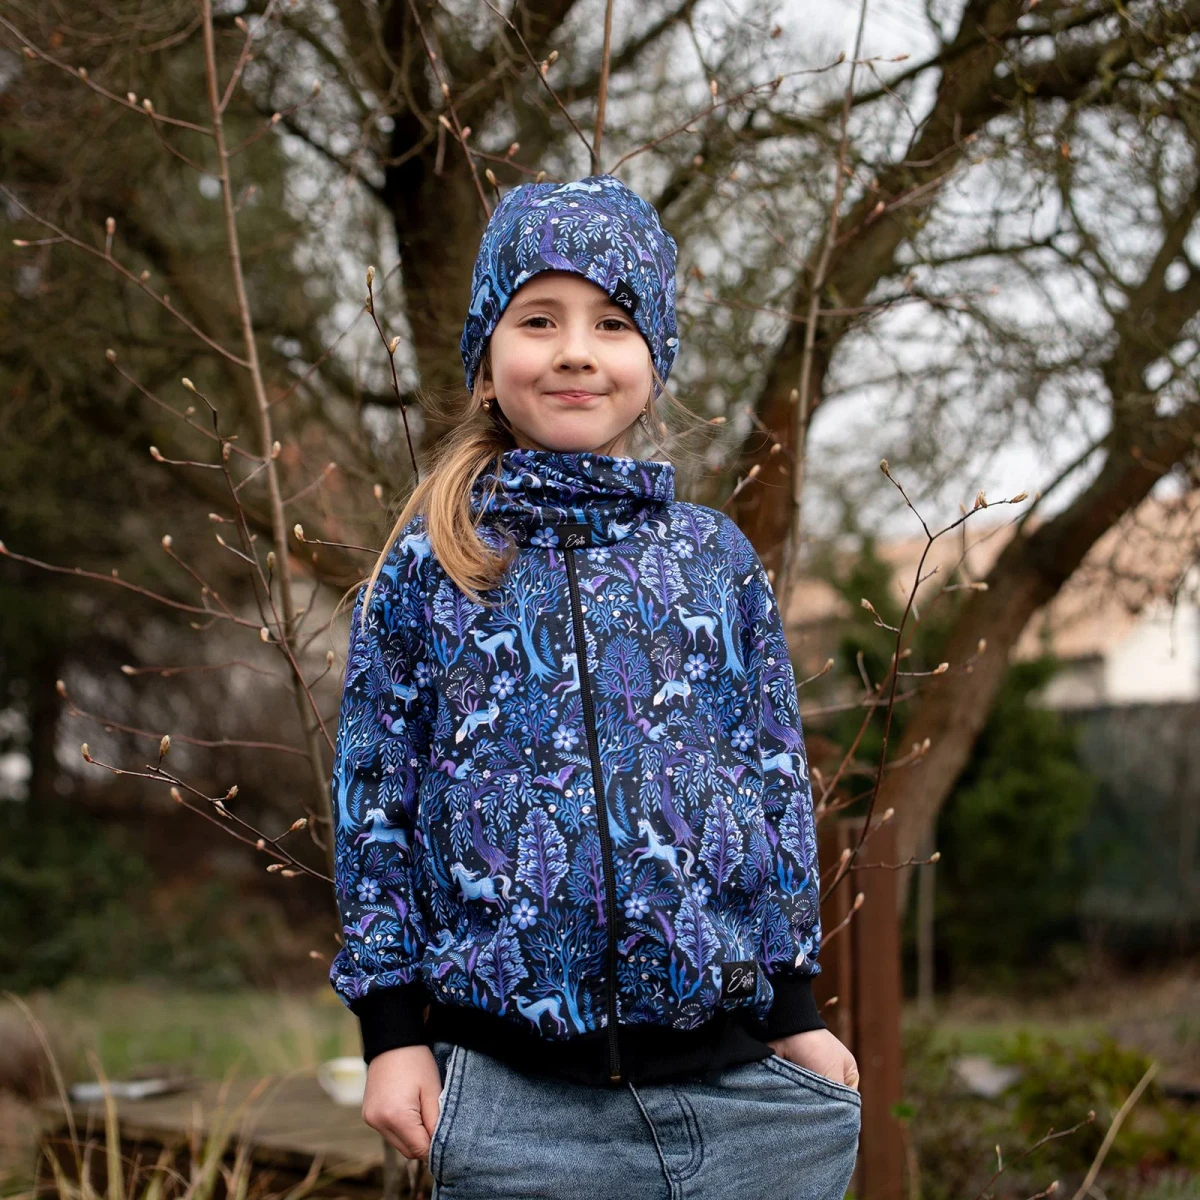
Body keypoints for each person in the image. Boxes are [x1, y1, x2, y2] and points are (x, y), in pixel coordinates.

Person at [328, 173, 861, 1199]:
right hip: (516, 1108)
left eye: (613, 323)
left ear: (654, 361)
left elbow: (773, 783)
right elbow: (374, 801)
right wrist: (390, 1033)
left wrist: (794, 1006)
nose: (576, 350)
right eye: (539, 319)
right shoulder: (435, 566)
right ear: (486, 361)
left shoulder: (712, 560)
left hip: (733, 1098)